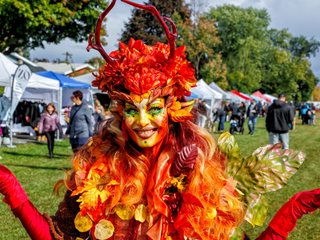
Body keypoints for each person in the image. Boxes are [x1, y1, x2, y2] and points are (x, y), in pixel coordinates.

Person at [0, 1, 307, 239]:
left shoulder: (201, 168)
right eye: (132, 109)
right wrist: (10, 187)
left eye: (154, 108)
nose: (143, 121)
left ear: (172, 109)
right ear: (120, 113)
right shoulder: (98, 166)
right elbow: (60, 237)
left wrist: (291, 212)